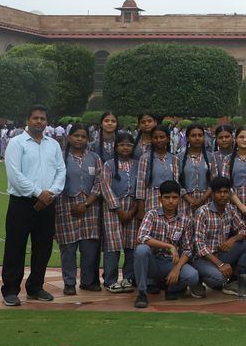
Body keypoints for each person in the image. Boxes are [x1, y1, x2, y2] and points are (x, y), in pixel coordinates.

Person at [1, 106, 66, 307]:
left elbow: (61, 171)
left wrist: (51, 193)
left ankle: (36, 286)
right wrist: (39, 193)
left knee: (43, 247)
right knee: (15, 246)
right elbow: (15, 174)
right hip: (22, 202)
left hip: (48, 202)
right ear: (28, 120)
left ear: (47, 122)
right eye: (35, 118)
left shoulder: (53, 145)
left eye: (42, 118)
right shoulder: (17, 143)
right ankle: (10, 289)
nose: (39, 121)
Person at [131, 180, 202, 309]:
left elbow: (188, 249)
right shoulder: (152, 214)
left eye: (174, 198)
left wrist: (177, 269)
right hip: (153, 261)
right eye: (167, 197)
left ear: (179, 199)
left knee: (193, 276)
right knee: (141, 249)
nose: (170, 201)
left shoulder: (186, 220)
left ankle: (171, 287)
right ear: (160, 199)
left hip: (171, 263)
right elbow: (141, 236)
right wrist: (170, 246)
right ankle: (142, 293)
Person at [55, 123, 102, 295]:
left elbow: (99, 182)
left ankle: (88, 281)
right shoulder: (60, 157)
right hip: (66, 205)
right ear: (69, 137)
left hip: (90, 206)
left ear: (88, 139)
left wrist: (87, 203)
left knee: (89, 247)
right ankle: (69, 282)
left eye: (83, 136)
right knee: (68, 247)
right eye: (76, 136)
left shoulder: (95, 158)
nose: (79, 139)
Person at [98, 131, 141, 293]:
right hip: (113, 209)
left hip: (133, 207)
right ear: (116, 147)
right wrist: (118, 209)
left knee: (132, 244)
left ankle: (128, 278)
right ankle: (110, 280)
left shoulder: (138, 164)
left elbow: (141, 187)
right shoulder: (109, 165)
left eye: (129, 145)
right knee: (113, 245)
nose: (125, 148)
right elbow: (105, 186)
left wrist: (134, 209)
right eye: (122, 145)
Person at [193, 176, 246, 295]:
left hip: (221, 254)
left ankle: (237, 278)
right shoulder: (202, 212)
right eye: (219, 192)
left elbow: (244, 230)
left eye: (226, 192)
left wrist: (233, 239)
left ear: (230, 194)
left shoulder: (230, 209)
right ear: (212, 194)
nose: (223, 195)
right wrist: (221, 265)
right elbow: (199, 246)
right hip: (203, 259)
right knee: (220, 278)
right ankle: (198, 280)